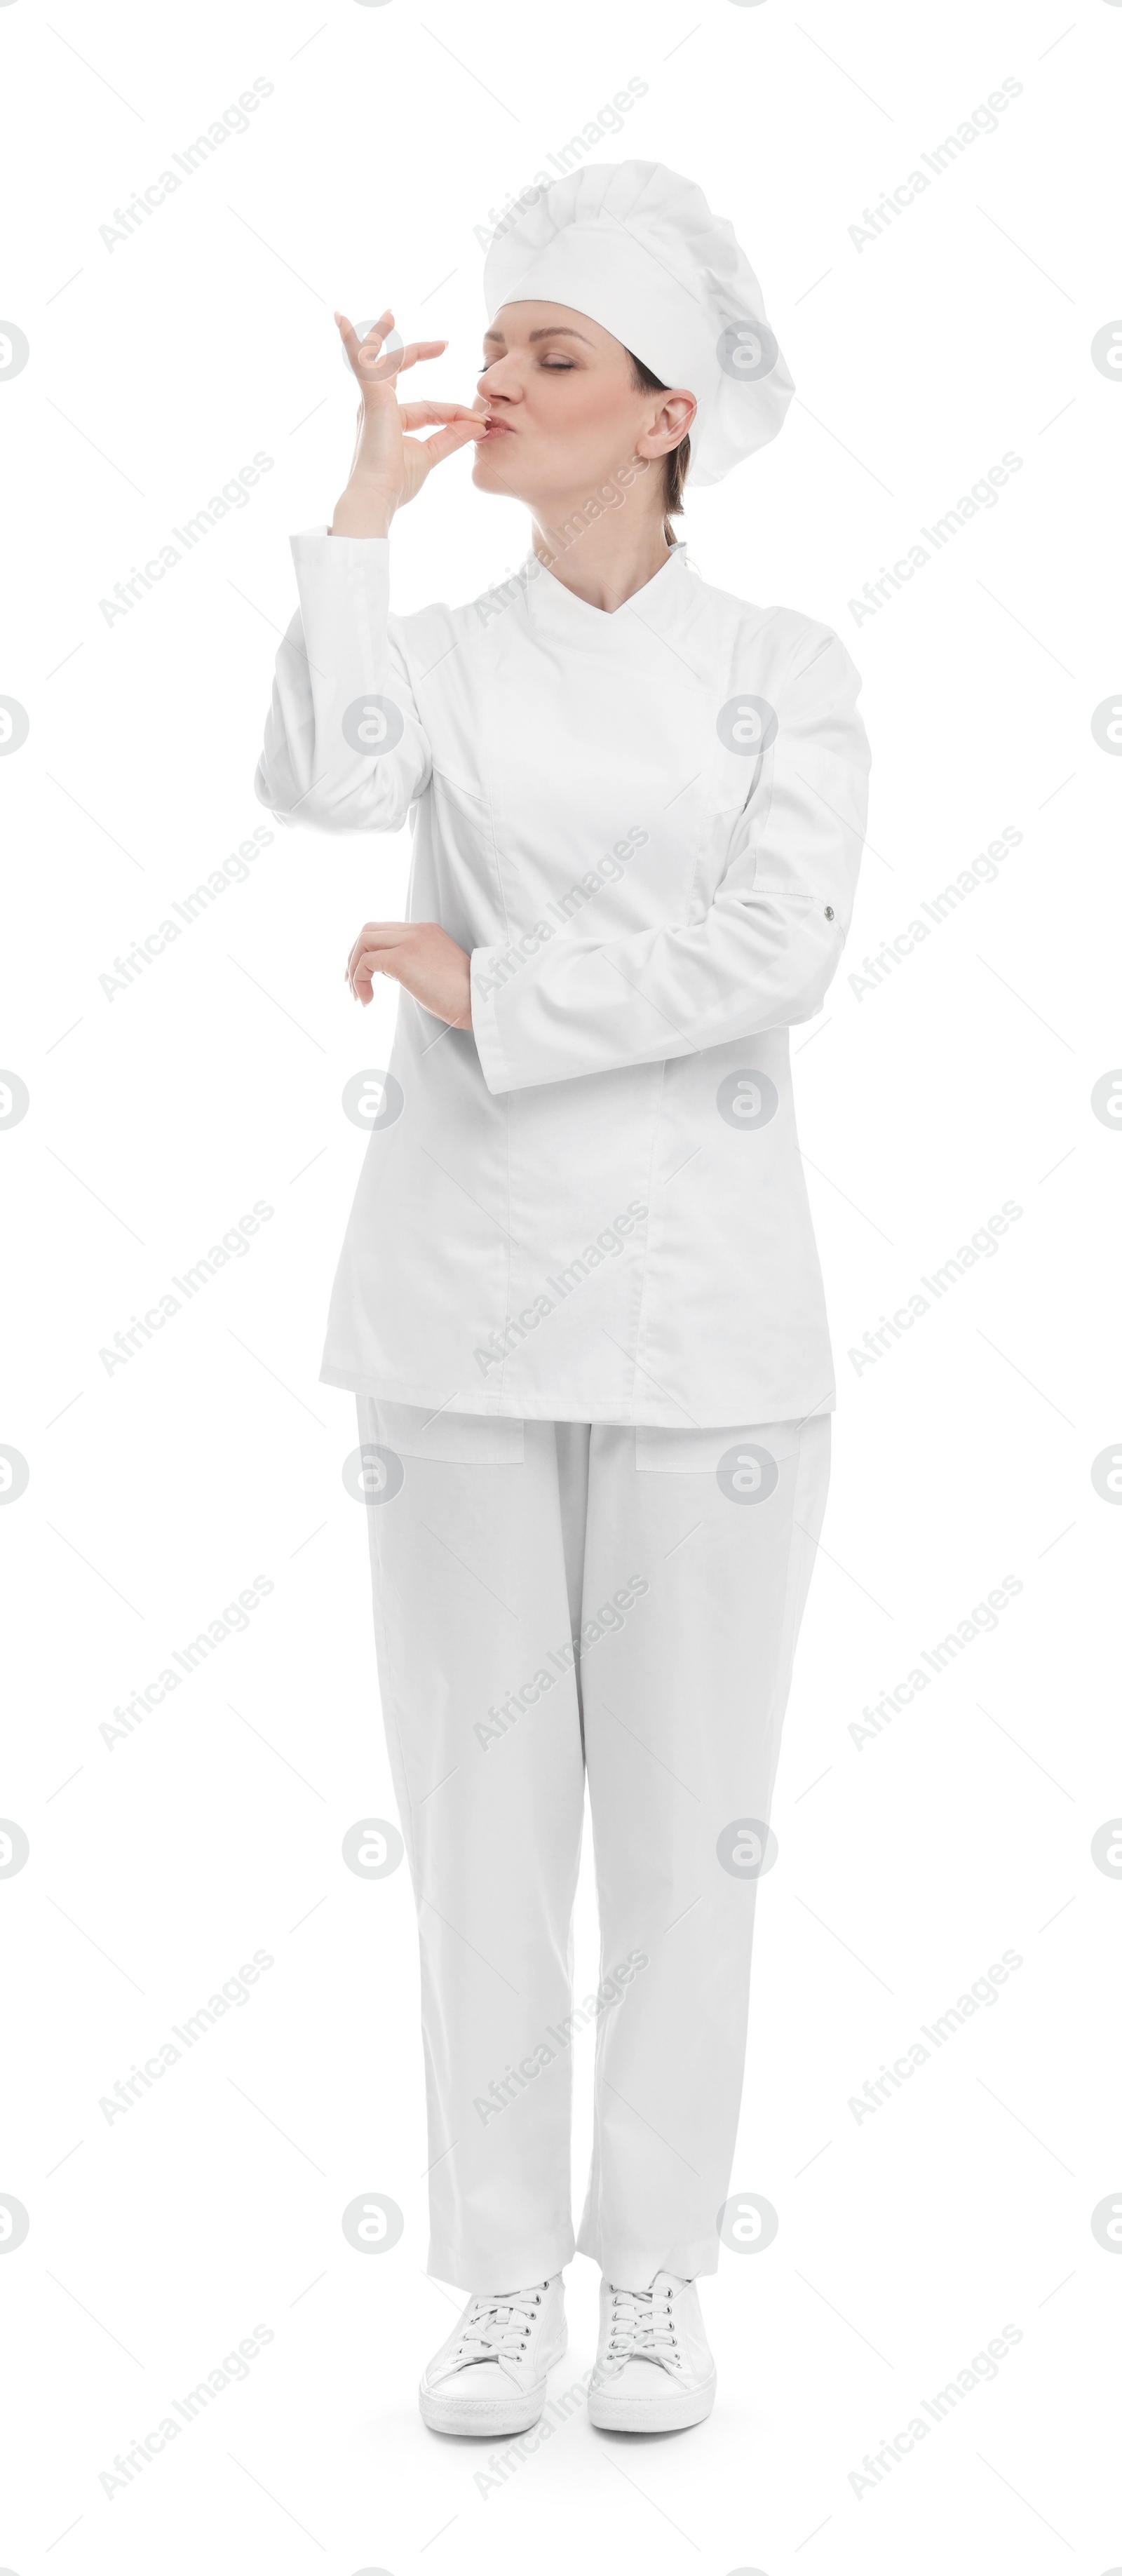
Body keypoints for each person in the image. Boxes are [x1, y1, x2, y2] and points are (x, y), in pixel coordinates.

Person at [255, 158, 870, 2440]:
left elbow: (774, 961)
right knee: (483, 1828)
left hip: (714, 1324)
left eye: (551, 356)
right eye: (496, 342)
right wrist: (356, 520)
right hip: (458, 1312)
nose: (494, 378)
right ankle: (503, 2273)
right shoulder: (433, 657)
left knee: (693, 1822)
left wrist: (490, 984)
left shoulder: (788, 674)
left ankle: (658, 2276)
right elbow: (324, 777)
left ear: (670, 412)